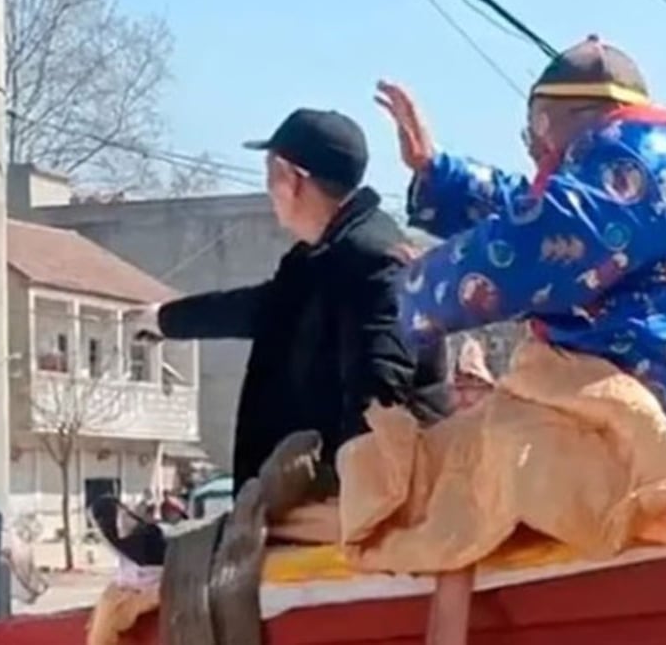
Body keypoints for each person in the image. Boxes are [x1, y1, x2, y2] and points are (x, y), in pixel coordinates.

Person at [377, 35, 666, 469]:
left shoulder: (631, 162)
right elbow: (532, 208)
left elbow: (531, 249)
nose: (532, 149)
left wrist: (400, 293)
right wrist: (437, 172)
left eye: (533, 132)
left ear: (561, 120)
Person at [93, 108, 452, 566]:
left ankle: (170, 553)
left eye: (270, 175)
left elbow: (380, 391)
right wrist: (167, 320)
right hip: (332, 475)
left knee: (252, 538)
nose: (269, 191)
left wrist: (334, 480)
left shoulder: (372, 259)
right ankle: (172, 550)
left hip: (379, 486)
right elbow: (263, 309)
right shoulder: (326, 255)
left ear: (291, 179)